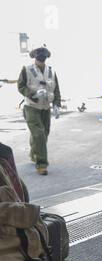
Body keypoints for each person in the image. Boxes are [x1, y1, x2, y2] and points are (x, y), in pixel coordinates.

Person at [17, 47, 61, 175]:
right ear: (34, 58)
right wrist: (33, 94)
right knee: (39, 134)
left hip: (45, 108)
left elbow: (56, 89)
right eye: (38, 59)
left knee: (44, 133)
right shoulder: (26, 69)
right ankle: (42, 164)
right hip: (32, 107)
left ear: (46, 59)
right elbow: (21, 86)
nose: (40, 62)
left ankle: (33, 154)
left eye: (43, 60)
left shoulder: (51, 71)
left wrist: (57, 104)